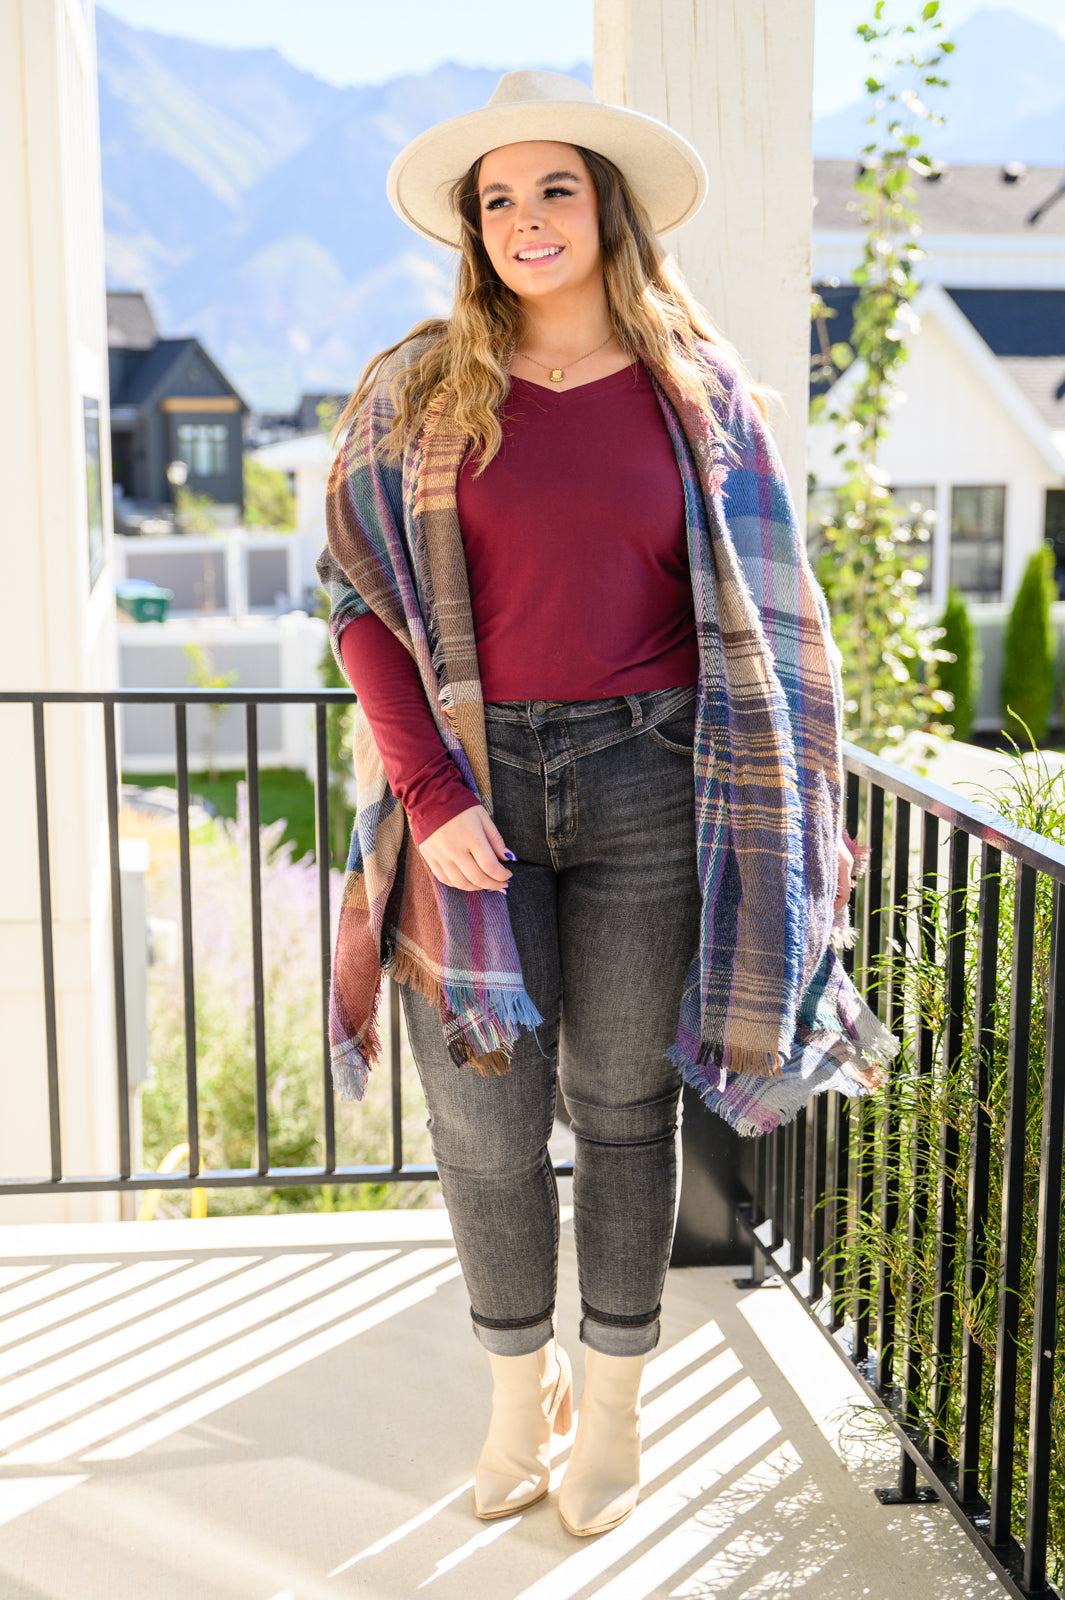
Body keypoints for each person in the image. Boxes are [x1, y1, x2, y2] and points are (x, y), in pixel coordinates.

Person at [317, 70, 895, 1538]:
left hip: (653, 781)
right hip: (475, 797)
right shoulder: (415, 392)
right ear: (472, 230)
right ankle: (519, 1404)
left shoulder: (702, 395)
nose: (525, 219)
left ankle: (616, 1407)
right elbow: (360, 612)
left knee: (622, 1112)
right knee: (483, 1121)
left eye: (552, 189)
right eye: (495, 199)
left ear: (607, 209)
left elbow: (772, 620)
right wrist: (431, 788)